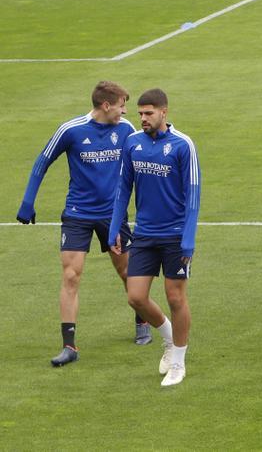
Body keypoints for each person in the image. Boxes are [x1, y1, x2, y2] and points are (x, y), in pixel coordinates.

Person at [17, 81, 146, 367]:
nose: (125, 111)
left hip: (113, 215)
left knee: (127, 272)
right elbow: (42, 161)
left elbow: (140, 167)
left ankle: (142, 321)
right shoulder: (71, 130)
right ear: (106, 105)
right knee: (71, 276)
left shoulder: (126, 131)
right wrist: (28, 201)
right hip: (78, 213)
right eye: (122, 105)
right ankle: (69, 346)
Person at [108, 89, 201, 387]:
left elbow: (193, 196)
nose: (143, 119)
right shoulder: (132, 143)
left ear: (164, 112)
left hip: (174, 236)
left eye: (149, 113)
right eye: (140, 114)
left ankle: (178, 364)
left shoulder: (182, 145)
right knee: (135, 297)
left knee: (175, 297)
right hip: (145, 234)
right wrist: (114, 228)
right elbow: (123, 189)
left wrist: (188, 238)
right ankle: (169, 338)